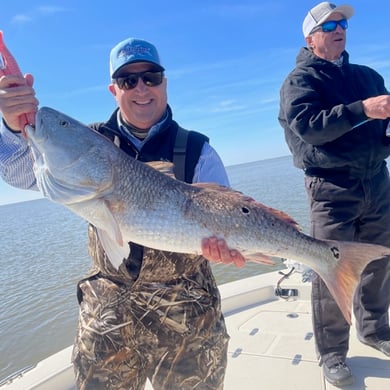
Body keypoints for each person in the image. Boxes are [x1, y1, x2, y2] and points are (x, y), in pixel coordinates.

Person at [0, 37, 246, 389]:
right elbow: (23, 173)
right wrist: (13, 126)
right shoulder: (90, 139)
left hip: (189, 313)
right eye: (129, 80)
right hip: (108, 313)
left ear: (165, 83)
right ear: (114, 89)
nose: (141, 87)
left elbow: (229, 211)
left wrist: (226, 250)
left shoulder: (198, 149)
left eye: (151, 76)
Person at [279, 2, 390, 387]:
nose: (338, 28)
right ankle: (332, 352)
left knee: (379, 259)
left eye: (342, 23)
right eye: (328, 25)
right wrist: (362, 109)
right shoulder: (300, 81)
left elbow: (384, 128)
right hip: (331, 188)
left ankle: (375, 328)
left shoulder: (368, 75)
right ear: (310, 39)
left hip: (377, 180)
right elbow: (310, 128)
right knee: (331, 268)